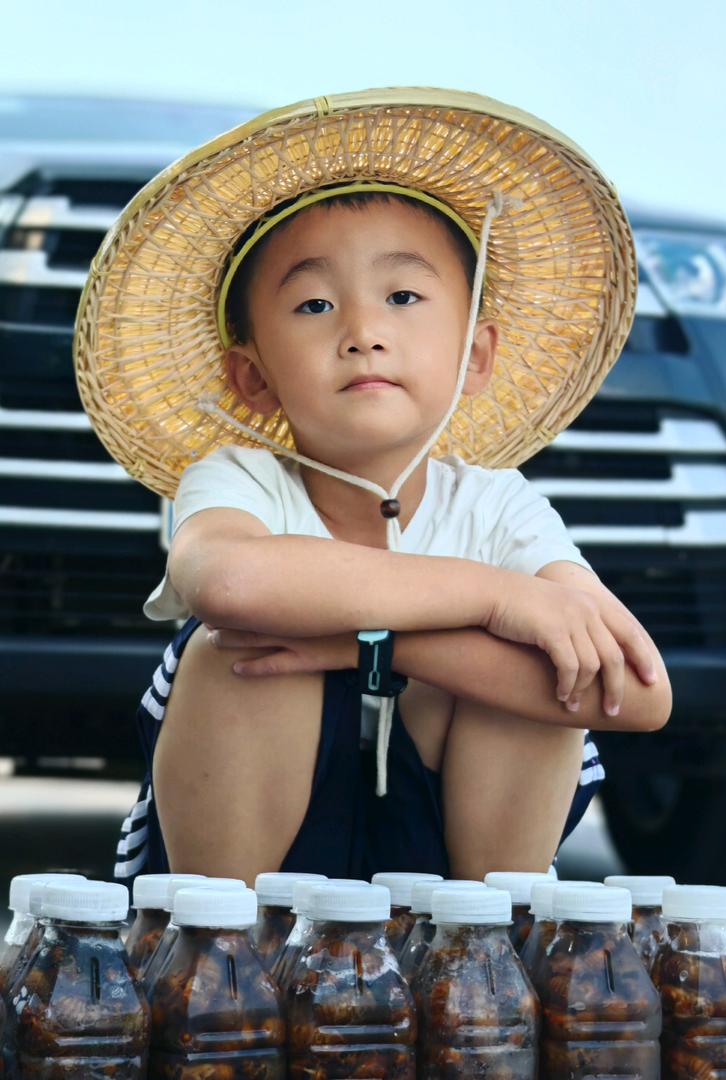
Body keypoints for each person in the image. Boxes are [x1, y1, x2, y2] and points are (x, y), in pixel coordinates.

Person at [73, 88, 672, 888]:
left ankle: (482, 943)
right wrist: (495, 599)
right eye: (314, 304)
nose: (363, 332)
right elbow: (228, 579)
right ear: (253, 376)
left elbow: (637, 692)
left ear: (475, 355)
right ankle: (220, 947)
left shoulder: (498, 507)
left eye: (403, 297)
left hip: (444, 863)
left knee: (540, 670)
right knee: (232, 645)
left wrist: (373, 647)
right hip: (260, 855)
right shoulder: (242, 479)